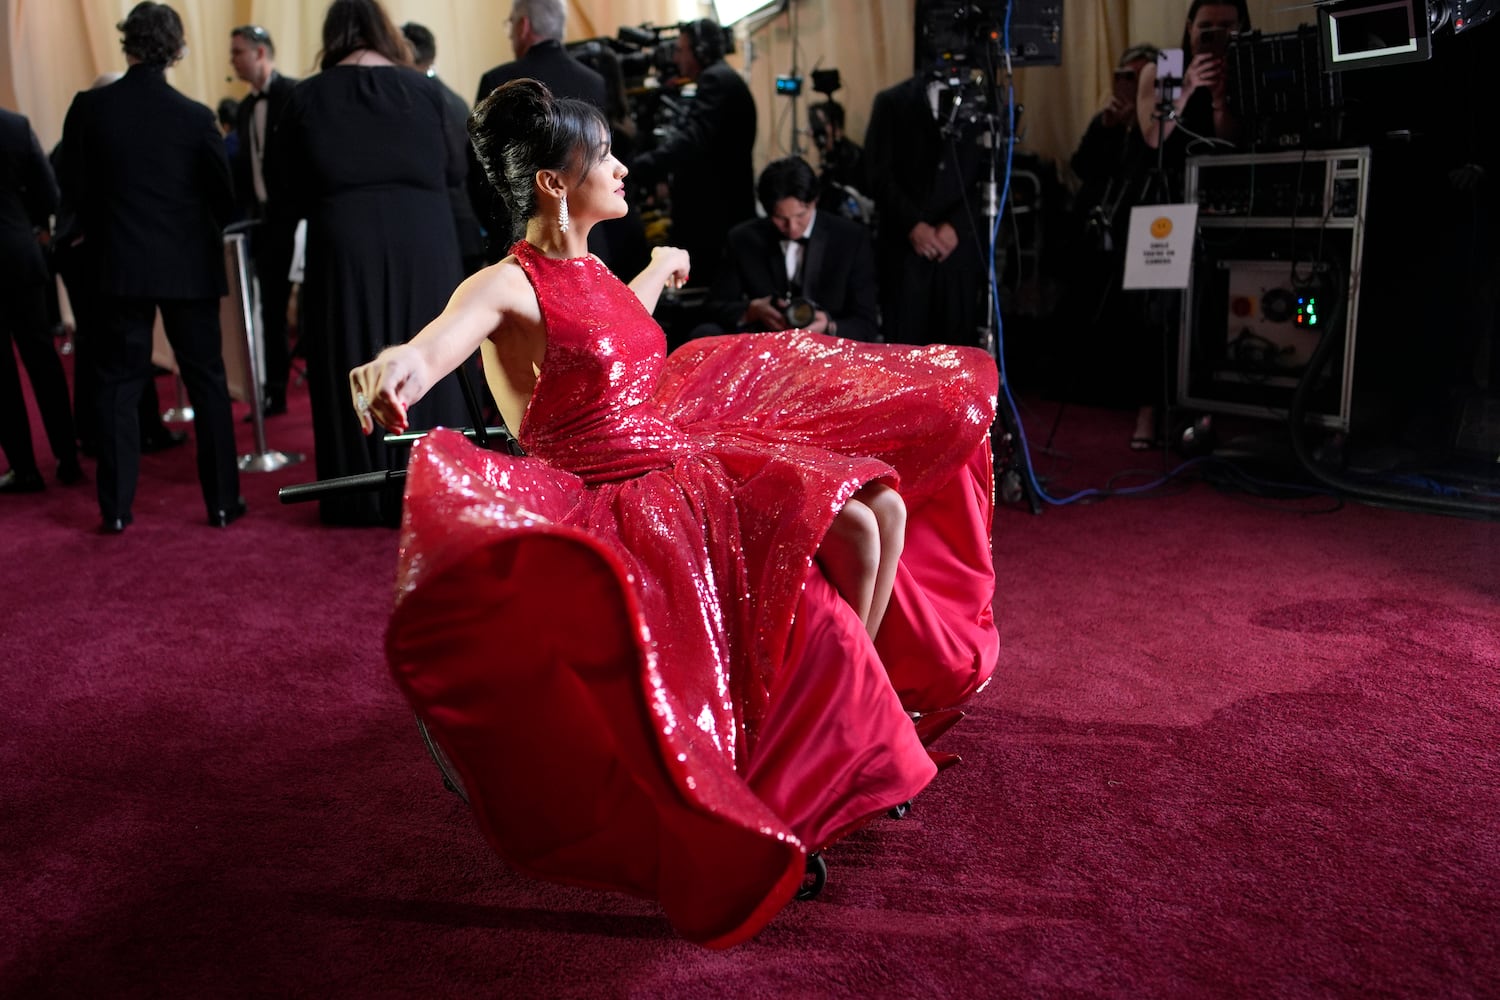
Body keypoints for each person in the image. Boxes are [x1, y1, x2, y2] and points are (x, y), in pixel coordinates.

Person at [347, 79, 1000, 948]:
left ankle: (860, 717)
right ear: (553, 181)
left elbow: (611, 344)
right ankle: (813, 748)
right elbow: (433, 346)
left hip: (674, 444)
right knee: (849, 521)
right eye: (605, 156)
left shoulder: (597, 269)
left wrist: (654, 272)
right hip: (614, 484)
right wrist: (394, 371)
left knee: (878, 500)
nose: (623, 167)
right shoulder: (501, 285)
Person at [266, 0, 469, 526]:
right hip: (426, 244)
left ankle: (357, 496)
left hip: (343, 246)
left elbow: (284, 193)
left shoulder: (304, 98)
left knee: (352, 350)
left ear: (332, 35)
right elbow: (456, 175)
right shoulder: (429, 93)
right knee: (432, 352)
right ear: (386, 32)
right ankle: (434, 486)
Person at [58, 2, 244, 534]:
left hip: (116, 267)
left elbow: (75, 190)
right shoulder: (194, 117)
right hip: (188, 266)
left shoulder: (89, 109)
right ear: (176, 50)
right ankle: (223, 503)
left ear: (127, 43)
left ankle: (115, 510)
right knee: (207, 383)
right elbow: (223, 199)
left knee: (117, 385)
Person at [1064, 43, 1168, 448]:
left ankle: (1146, 406)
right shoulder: (1106, 121)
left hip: (1143, 229)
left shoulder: (1158, 122)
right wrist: (1107, 126)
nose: (1132, 84)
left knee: (1144, 313)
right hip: (1097, 232)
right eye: (1125, 76)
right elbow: (1083, 166)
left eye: (1141, 77)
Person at [471, 0, 605, 263]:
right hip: (590, 240)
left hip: (524, 241)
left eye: (510, 23)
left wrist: (500, 230)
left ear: (523, 26)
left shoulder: (499, 81)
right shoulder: (594, 81)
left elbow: (484, 171)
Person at [631, 17, 757, 290]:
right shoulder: (723, 77)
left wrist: (640, 167)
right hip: (722, 207)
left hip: (713, 211)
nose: (676, 57)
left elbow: (691, 141)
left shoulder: (715, 79)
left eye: (681, 49)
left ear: (700, 51)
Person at [864, 71, 988, 347]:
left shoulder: (984, 101)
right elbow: (876, 173)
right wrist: (912, 224)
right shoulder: (892, 101)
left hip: (959, 250)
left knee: (957, 349)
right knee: (904, 349)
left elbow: (994, 174)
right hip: (904, 247)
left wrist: (958, 225)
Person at [700, 156, 879, 342]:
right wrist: (752, 310)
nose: (792, 227)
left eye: (800, 215)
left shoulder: (850, 238)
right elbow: (713, 307)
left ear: (815, 201)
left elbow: (866, 323)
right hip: (764, 348)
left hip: (827, 352)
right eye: (780, 218)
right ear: (768, 211)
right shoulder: (743, 238)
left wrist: (828, 326)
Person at [0, 107, 81, 494]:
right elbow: (49, 193)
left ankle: (24, 469)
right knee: (43, 360)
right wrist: (29, 224)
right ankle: (67, 458)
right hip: (18, 253)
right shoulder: (13, 125)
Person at [230, 23, 299, 417]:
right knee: (267, 309)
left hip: (293, 218)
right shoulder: (243, 108)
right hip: (260, 221)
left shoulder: (291, 95)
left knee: (283, 309)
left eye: (238, 52)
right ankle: (273, 390)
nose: (232, 61)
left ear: (260, 53)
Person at [402, 22, 487, 277]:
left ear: (405, 52)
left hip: (439, 233)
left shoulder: (415, 102)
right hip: (467, 230)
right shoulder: (454, 100)